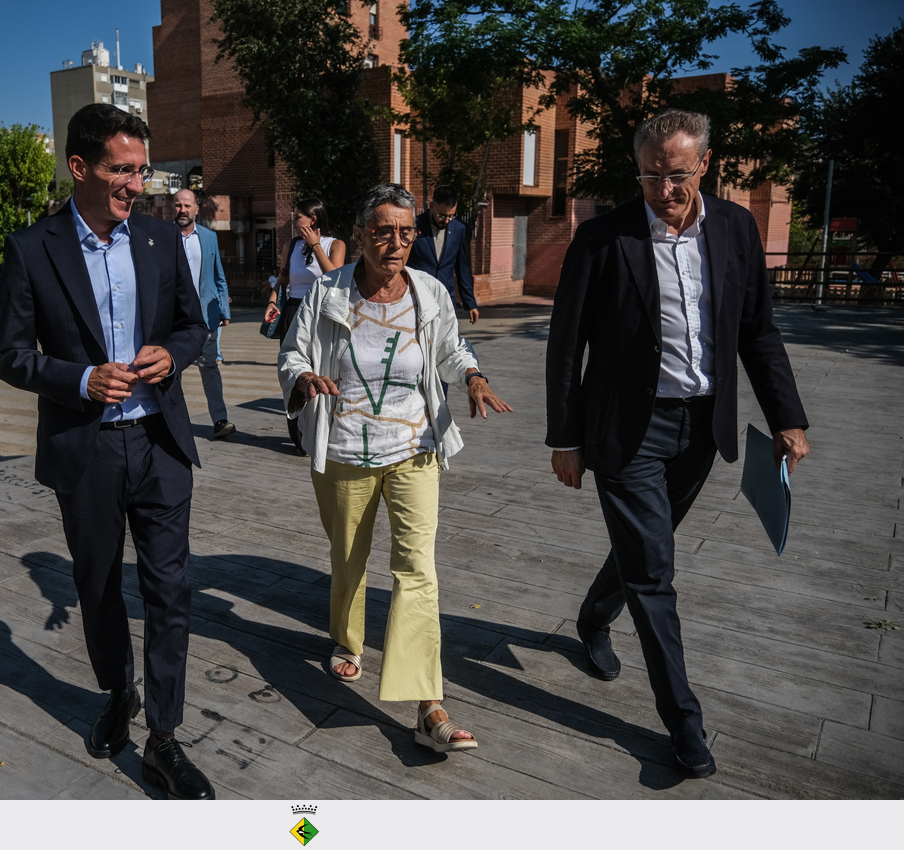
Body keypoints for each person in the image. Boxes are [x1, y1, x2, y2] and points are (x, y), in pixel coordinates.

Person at [545, 109, 810, 779]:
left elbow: (758, 331)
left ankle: (593, 616)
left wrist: (787, 416)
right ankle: (683, 723)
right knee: (655, 574)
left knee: (645, 551)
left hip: (702, 428)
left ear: (706, 164)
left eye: (679, 175)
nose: (665, 189)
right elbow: (566, 344)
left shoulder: (736, 227)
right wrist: (565, 439)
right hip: (625, 431)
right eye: (651, 175)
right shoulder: (603, 238)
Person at [0, 103, 215, 800]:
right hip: (84, 451)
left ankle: (165, 738)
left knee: (170, 588)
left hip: (159, 441)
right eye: (122, 170)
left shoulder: (159, 236)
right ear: (79, 167)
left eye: (141, 171)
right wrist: (81, 379)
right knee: (97, 586)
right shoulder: (32, 248)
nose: (137, 184)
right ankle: (119, 691)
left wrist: (172, 355)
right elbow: (8, 355)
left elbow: (194, 326)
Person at [279, 183, 512, 753]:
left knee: (417, 569)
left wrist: (473, 376)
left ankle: (428, 704)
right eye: (383, 232)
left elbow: (451, 350)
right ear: (360, 235)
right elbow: (292, 353)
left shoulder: (429, 291)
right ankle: (349, 639)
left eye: (406, 233)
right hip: (344, 449)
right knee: (348, 556)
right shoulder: (328, 292)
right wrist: (304, 379)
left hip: (416, 448)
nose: (396, 243)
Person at [264, 199, 347, 455]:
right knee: (293, 371)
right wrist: (272, 300)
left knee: (322, 370)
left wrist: (315, 246)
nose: (294, 219)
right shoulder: (290, 245)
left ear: (313, 219)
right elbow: (283, 278)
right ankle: (299, 438)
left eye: (298, 216)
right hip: (293, 311)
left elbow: (336, 278)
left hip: (322, 313)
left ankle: (323, 431)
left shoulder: (335, 244)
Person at [172, 187, 236, 440]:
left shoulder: (209, 237)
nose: (182, 210)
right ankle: (171, 421)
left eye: (187, 206)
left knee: (209, 366)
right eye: (178, 205)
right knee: (171, 370)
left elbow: (218, 276)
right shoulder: (163, 236)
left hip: (206, 316)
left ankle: (220, 420)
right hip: (173, 319)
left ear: (196, 209)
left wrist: (224, 309)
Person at [406, 184, 479, 324]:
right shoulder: (414, 226)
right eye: (442, 215)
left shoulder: (458, 229)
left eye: (451, 216)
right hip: (418, 299)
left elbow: (462, 268)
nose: (446, 220)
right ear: (431, 205)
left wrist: (470, 303)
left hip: (446, 300)